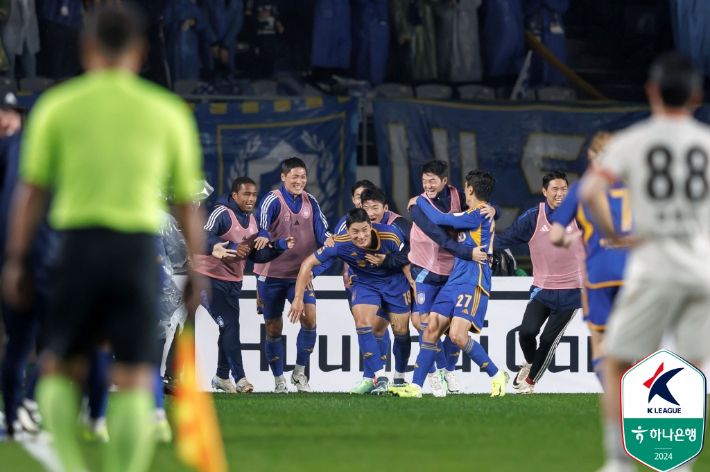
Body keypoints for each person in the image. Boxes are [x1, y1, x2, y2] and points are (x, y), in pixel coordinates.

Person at [1, 7, 205, 472]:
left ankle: (71, 465)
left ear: (86, 48)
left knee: (58, 362)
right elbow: (187, 203)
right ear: (141, 52)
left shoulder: (58, 106)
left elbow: (30, 194)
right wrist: (196, 267)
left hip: (74, 247)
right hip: (135, 251)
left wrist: (15, 258)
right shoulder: (167, 111)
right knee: (135, 370)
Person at [580, 53, 710, 472]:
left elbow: (589, 192)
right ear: (696, 95)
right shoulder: (706, 142)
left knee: (617, 360)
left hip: (655, 264)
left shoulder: (633, 140)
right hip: (702, 267)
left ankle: (619, 461)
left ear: (651, 91)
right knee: (688, 367)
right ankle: (677, 462)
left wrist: (615, 234)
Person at [394, 170, 509, 398]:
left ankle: (497, 375)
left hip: (473, 281)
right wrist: (496, 209)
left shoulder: (477, 214)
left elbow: (440, 219)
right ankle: (416, 387)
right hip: (455, 280)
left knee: (457, 336)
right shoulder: (483, 212)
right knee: (431, 329)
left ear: (470, 189)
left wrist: (418, 201)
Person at [289, 208, 410, 395]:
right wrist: (298, 298)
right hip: (364, 284)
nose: (360, 236)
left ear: (370, 226)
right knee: (363, 324)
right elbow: (307, 264)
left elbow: (409, 260)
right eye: (355, 231)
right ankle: (381, 377)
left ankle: (400, 379)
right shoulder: (339, 242)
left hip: (394, 284)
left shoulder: (391, 235)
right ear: (347, 230)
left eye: (364, 230)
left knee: (401, 332)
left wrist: (416, 289)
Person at [193, 176, 294, 394]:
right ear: (234, 195)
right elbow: (201, 236)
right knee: (230, 325)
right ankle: (240, 379)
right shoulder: (222, 212)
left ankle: (221, 376)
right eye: (246, 194)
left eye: (254, 194)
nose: (251, 198)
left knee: (227, 327)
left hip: (233, 283)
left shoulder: (252, 221)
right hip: (208, 279)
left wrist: (278, 246)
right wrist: (222, 246)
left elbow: (257, 256)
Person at [548, 132, 629, 389]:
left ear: (591, 155)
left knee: (600, 343)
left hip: (599, 273)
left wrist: (571, 240)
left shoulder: (584, 187)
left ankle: (614, 398)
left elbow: (556, 235)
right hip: (634, 272)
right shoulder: (635, 183)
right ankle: (638, 398)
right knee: (635, 341)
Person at [493, 170, 584, 394]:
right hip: (542, 288)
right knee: (526, 332)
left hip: (573, 290)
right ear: (544, 192)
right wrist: (473, 245)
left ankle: (530, 383)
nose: (560, 193)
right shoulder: (533, 217)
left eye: (564, 189)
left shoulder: (582, 215)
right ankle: (531, 363)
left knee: (548, 340)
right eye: (555, 189)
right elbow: (505, 238)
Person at [254, 157, 332, 393]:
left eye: (303, 177)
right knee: (273, 328)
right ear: (283, 177)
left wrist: (329, 239)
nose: (300, 181)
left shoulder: (312, 202)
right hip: (271, 275)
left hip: (300, 275)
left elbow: (322, 228)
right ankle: (279, 381)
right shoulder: (272, 200)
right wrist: (264, 235)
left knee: (310, 319)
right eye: (295, 176)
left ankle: (299, 373)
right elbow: (263, 224)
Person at [355, 187, 412, 392]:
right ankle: (372, 379)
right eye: (366, 207)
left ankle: (400, 376)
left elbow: (414, 251)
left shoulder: (399, 224)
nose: (371, 213)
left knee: (403, 333)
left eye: (375, 208)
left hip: (398, 285)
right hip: (371, 285)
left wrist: (388, 260)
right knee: (373, 328)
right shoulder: (357, 224)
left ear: (385, 208)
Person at [1, 0, 40, 79]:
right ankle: (9, 89)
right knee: (9, 69)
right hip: (10, 34)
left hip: (28, 34)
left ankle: (31, 88)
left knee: (30, 67)